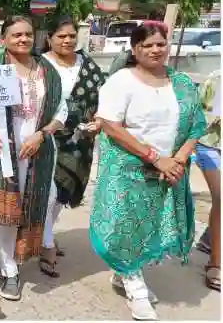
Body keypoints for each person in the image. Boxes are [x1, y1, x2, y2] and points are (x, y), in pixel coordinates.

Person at [90, 22, 205, 320]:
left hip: (170, 170)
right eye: (148, 45)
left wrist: (177, 160)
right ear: (135, 49)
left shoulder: (180, 82)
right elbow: (111, 127)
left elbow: (196, 124)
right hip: (131, 171)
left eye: (160, 44)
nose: (156, 49)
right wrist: (155, 158)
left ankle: (126, 274)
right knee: (129, 228)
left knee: (154, 227)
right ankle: (135, 286)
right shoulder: (121, 81)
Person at [0, 16, 67, 301]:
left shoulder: (47, 71)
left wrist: (42, 134)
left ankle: (22, 254)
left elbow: (62, 112)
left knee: (43, 199)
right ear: (3, 39)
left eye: (28, 34)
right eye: (16, 35)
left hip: (39, 151)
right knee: (4, 214)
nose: (23, 39)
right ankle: (9, 271)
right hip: (2, 153)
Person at [38, 17, 106, 277]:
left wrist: (98, 120)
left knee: (63, 193)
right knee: (49, 192)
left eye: (71, 36)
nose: (67, 40)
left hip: (79, 140)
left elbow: (103, 96)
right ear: (50, 39)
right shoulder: (40, 64)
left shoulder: (87, 64)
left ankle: (46, 234)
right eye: (61, 36)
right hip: (48, 136)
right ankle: (45, 245)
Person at [193, 70, 220, 291]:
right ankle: (215, 263)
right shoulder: (216, 78)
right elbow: (198, 114)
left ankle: (208, 240)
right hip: (211, 145)